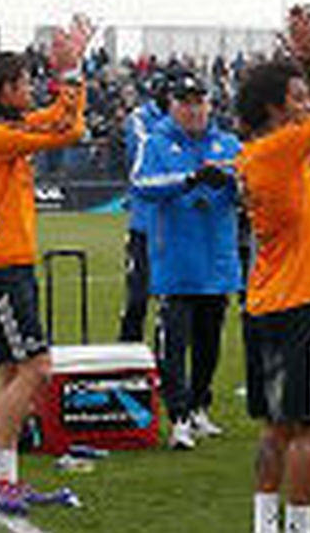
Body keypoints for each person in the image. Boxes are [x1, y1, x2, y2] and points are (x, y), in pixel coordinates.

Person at [235, 6, 310, 533]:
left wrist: (305, 66)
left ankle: (265, 525)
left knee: (277, 426)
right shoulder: (280, 151)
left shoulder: (262, 155)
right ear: (273, 110)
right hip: (303, 304)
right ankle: (298, 527)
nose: (307, 107)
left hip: (267, 302)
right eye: (298, 101)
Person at [0, 16, 91, 515]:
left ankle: (5, 477)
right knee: (37, 368)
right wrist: (72, 71)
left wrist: (71, 72)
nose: (32, 88)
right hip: (0, 270)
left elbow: (70, 125)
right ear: (6, 89)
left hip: (7, 266)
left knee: (14, 371)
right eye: (25, 82)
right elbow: (65, 128)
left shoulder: (4, 128)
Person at [130, 71, 240, 449]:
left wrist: (230, 184)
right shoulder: (156, 142)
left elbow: (251, 189)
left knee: (210, 341)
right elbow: (141, 185)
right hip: (175, 258)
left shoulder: (228, 143)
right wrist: (191, 179)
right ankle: (177, 416)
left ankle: (199, 407)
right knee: (173, 342)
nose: (193, 110)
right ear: (172, 106)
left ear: (210, 105)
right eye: (185, 103)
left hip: (218, 259)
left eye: (199, 102)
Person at [117, 71, 169, 343]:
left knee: (171, 303)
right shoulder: (139, 118)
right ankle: (126, 355)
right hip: (143, 224)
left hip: (173, 225)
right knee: (137, 298)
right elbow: (143, 153)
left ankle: (166, 366)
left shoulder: (184, 121)